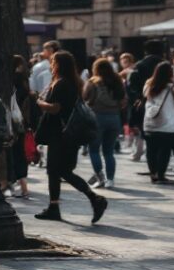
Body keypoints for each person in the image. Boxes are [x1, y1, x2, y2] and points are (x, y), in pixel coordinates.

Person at [34, 51, 108, 223]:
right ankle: (61, 205)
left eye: (53, 62)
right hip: (69, 134)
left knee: (55, 170)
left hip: (60, 135)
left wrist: (39, 103)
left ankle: (84, 201)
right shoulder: (73, 82)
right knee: (62, 171)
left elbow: (55, 108)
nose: (51, 65)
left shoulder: (62, 84)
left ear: (58, 65)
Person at [85, 57, 126, 189]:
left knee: (94, 150)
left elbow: (84, 97)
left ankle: (100, 177)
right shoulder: (117, 81)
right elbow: (123, 100)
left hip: (96, 118)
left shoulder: (92, 82)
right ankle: (111, 180)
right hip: (114, 118)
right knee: (109, 152)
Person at [128, 40, 165, 162]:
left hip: (145, 102)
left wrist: (138, 97)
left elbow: (132, 84)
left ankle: (153, 166)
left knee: (148, 135)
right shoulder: (166, 64)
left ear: (146, 50)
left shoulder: (140, 64)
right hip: (165, 103)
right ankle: (160, 165)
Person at [141, 62, 174, 183]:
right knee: (165, 150)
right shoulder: (172, 88)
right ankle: (161, 175)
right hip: (169, 125)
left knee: (151, 150)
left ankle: (153, 174)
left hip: (150, 123)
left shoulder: (148, 85)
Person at [8, 55, 33, 199]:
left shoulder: (13, 80)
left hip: (13, 121)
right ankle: (23, 186)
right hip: (22, 122)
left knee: (12, 152)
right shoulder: (25, 79)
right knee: (20, 153)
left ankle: (13, 184)